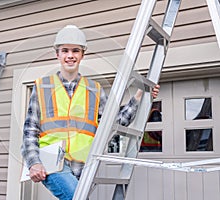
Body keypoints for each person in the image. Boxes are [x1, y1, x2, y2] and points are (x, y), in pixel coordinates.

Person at [21, 25, 160, 200]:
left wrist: (139, 96)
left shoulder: (95, 89)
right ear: (57, 54)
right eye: (65, 50)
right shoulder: (42, 86)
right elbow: (30, 131)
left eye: (75, 51)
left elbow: (114, 122)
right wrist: (34, 163)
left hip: (84, 166)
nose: (70, 55)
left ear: (82, 55)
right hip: (53, 164)